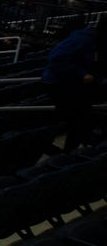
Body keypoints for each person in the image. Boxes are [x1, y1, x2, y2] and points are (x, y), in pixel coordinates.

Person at [42, 22, 101, 151]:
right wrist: (82, 73)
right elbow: (55, 59)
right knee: (78, 120)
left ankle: (73, 148)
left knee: (82, 119)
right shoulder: (81, 39)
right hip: (60, 83)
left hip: (74, 84)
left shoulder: (94, 41)